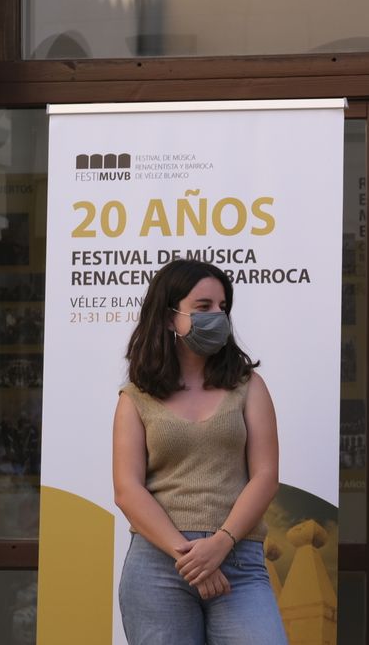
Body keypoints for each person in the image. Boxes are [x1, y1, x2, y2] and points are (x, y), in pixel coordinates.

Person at [111, 259, 288, 645]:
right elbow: (127, 490)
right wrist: (192, 559)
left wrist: (220, 543)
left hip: (238, 561)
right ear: (168, 317)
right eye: (203, 307)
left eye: (222, 307)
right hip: (158, 567)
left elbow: (265, 476)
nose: (217, 316)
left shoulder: (248, 385)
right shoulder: (135, 397)